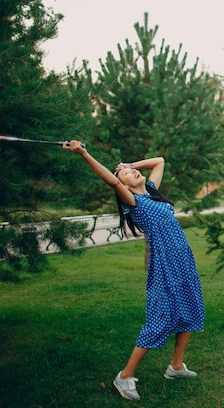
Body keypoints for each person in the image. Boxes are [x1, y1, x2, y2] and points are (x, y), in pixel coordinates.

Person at [63, 141, 205, 400]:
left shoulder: (151, 190)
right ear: (125, 187)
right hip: (164, 265)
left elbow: (159, 161)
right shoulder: (134, 201)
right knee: (160, 319)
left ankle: (175, 366)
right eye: (126, 175)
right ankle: (125, 376)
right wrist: (84, 154)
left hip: (183, 260)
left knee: (190, 309)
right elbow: (112, 182)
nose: (131, 174)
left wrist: (129, 165)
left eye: (130, 171)